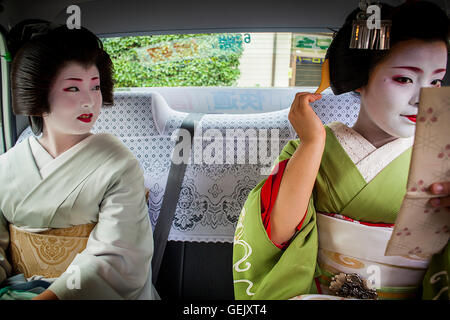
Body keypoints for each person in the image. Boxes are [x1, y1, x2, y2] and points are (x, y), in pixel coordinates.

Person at [233, 1, 449, 300]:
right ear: (360, 77)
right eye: (404, 79)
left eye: (436, 81)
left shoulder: (443, 158)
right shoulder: (308, 146)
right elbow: (278, 234)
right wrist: (312, 144)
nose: (423, 97)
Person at [0, 23, 159, 300]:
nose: (89, 101)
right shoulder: (7, 165)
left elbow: (117, 257)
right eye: (73, 89)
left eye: (95, 87)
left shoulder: (119, 164)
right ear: (38, 95)